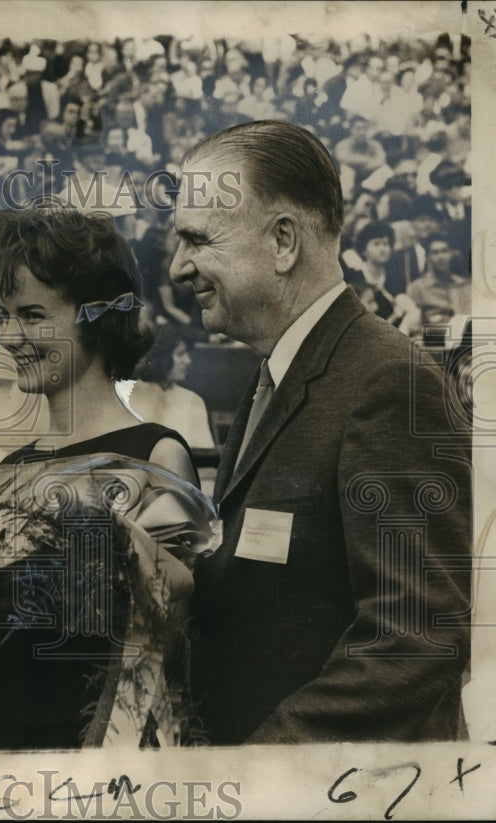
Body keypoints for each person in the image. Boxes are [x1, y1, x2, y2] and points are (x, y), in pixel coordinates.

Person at [170, 120, 471, 744]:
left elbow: (415, 639)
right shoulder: (275, 377)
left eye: (197, 239)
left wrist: (258, 771)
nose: (178, 267)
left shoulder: (389, 381)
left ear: (283, 241)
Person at [0, 202, 201, 751]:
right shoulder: (11, 468)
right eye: (5, 315)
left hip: (96, 755)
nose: (9, 337)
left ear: (97, 318)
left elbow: (171, 637)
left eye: (32, 315)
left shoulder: (154, 455)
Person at [121, 326, 216, 450]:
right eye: (180, 354)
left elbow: (204, 457)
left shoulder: (192, 400)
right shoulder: (126, 396)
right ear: (161, 357)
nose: (188, 361)